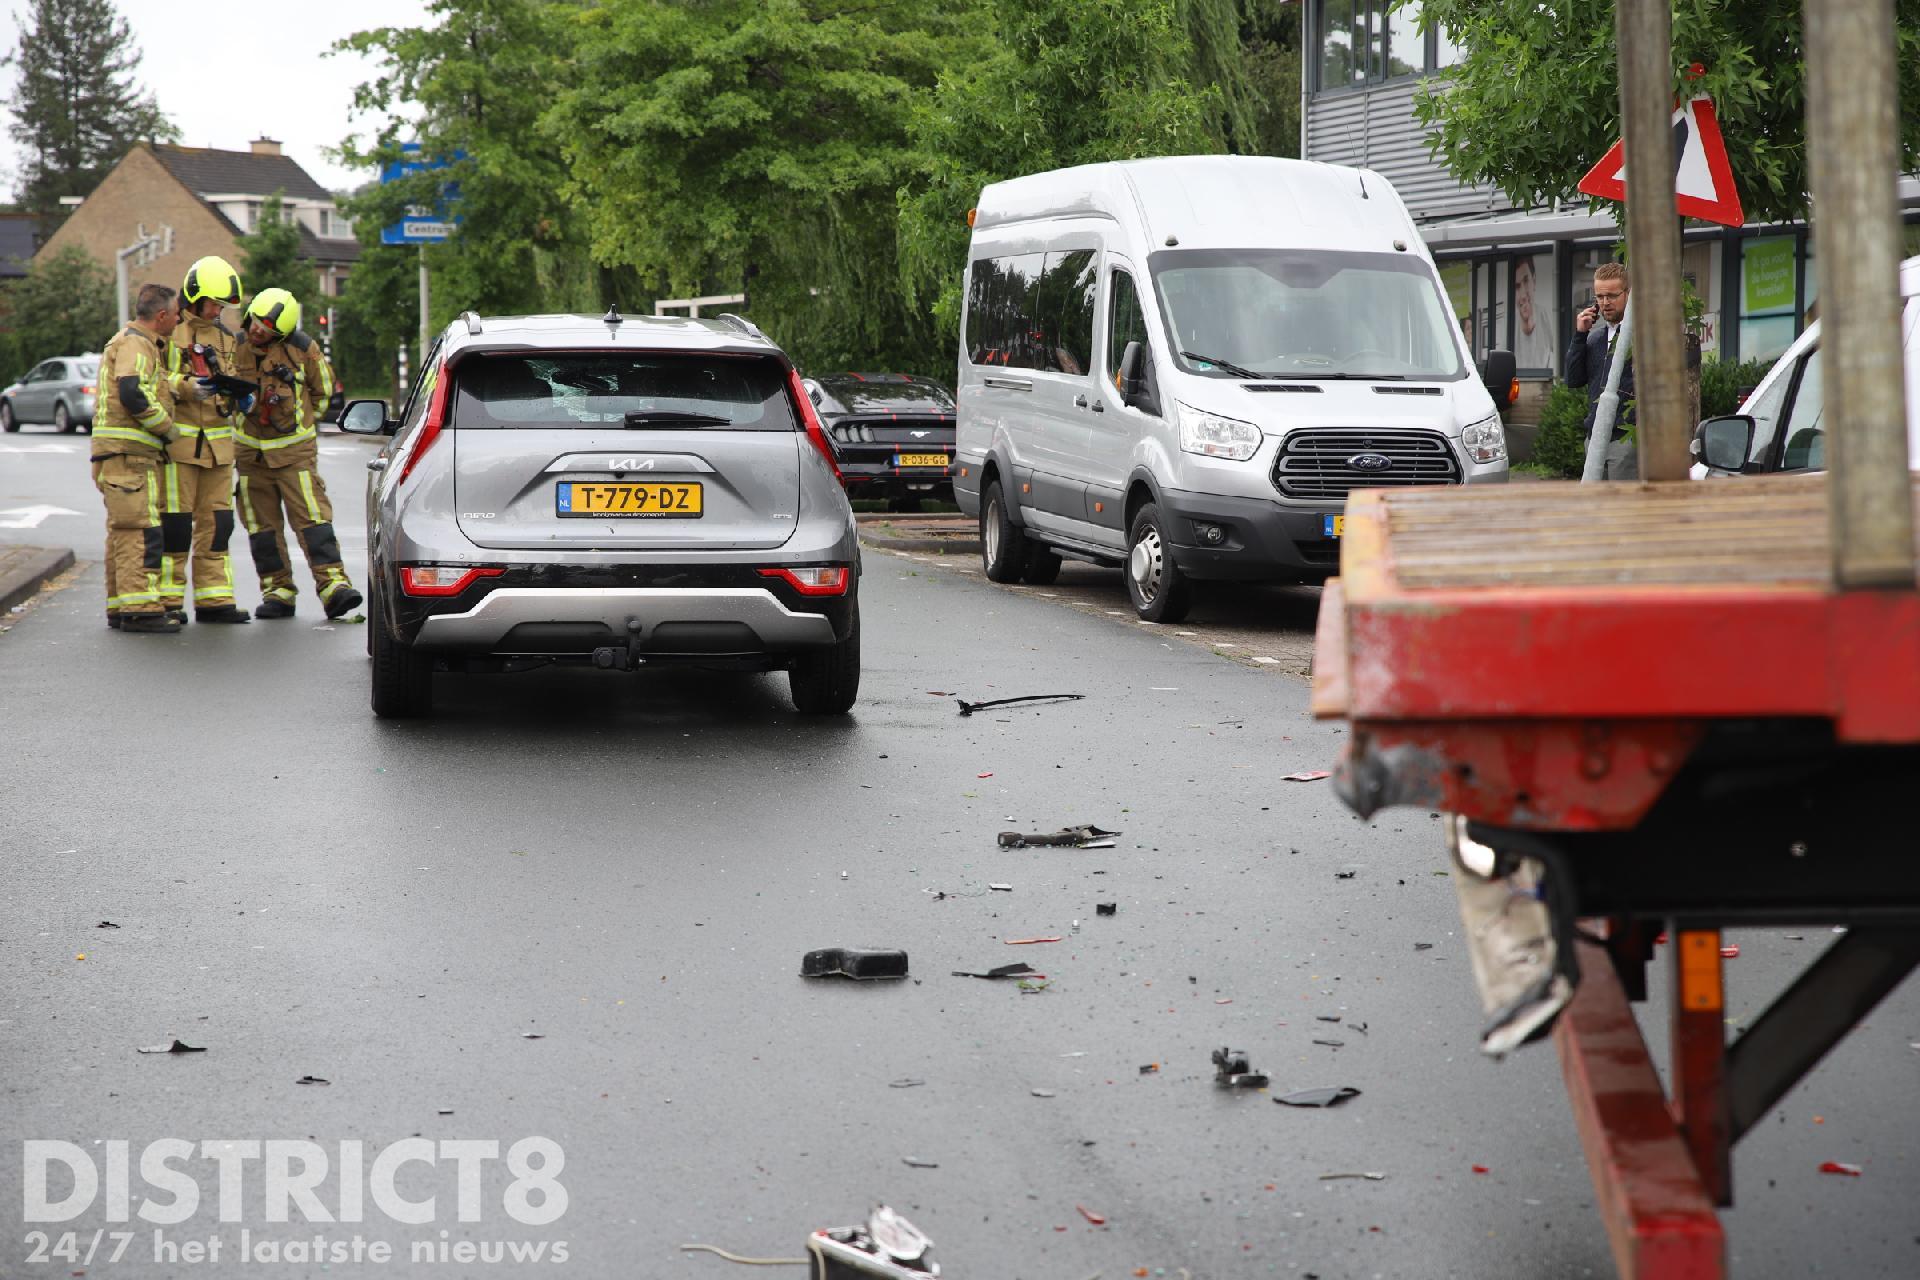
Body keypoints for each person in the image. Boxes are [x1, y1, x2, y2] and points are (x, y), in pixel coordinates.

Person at [229, 287, 363, 619]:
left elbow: (325, 392)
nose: (259, 331)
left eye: (269, 330)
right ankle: (278, 591)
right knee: (261, 527)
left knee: (313, 521)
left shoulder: (302, 350)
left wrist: (302, 421)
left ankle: (334, 586)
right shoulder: (236, 345)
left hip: (294, 455)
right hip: (250, 457)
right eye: (257, 323)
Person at [158, 255, 252, 624]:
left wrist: (243, 396)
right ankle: (168, 600)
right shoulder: (170, 331)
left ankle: (215, 599)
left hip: (219, 449)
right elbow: (155, 378)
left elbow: (231, 376)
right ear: (195, 296)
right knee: (177, 525)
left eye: (223, 306)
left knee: (218, 525)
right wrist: (185, 387)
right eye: (215, 304)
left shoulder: (226, 337)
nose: (219, 311)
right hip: (180, 446)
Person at [93, 284, 185, 633]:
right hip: (130, 456)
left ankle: (121, 605)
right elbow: (133, 392)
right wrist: (167, 428)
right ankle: (141, 607)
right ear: (161, 316)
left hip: (119, 454)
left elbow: (155, 385)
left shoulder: (134, 342)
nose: (178, 320)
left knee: (121, 531)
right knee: (140, 531)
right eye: (176, 314)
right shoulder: (136, 344)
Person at [1564, 262, 1637, 480]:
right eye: (1599, 296)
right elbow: (1573, 380)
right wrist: (1579, 336)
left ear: (1628, 294)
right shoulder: (1595, 338)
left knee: (1622, 507)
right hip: (1595, 437)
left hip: (1626, 438)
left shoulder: (1641, 338)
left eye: (1612, 296)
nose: (1605, 303)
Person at [1512, 255, 1557, 371]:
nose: (1523, 294)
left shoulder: (1548, 317)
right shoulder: (1508, 325)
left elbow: (1562, 355)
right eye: (1517, 287)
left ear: (1534, 281)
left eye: (1526, 281)